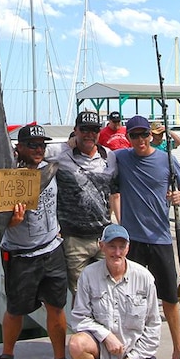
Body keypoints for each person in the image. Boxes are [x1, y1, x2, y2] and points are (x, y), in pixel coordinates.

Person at [111, 115, 180, 359]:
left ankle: (178, 351)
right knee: (128, 299)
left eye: (144, 135)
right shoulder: (122, 158)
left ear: (151, 135)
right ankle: (127, 351)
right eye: (134, 135)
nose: (140, 140)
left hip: (160, 238)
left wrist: (179, 197)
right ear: (127, 137)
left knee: (170, 299)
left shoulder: (167, 160)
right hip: (133, 242)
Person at [0, 125, 77, 359]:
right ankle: (7, 355)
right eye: (33, 145)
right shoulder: (8, 177)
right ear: (19, 148)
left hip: (52, 250)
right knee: (15, 309)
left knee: (56, 306)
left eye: (42, 145)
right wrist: (12, 222)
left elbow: (75, 143)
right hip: (20, 255)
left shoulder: (51, 169)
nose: (39, 149)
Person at [68, 224, 163, 359]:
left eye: (122, 247)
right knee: (77, 343)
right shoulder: (88, 274)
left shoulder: (145, 277)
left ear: (128, 248)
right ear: (101, 246)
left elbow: (153, 326)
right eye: (111, 246)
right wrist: (106, 336)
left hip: (134, 350)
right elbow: (79, 317)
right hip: (102, 347)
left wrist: (132, 358)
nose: (117, 252)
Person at [45, 111, 117, 297]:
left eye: (94, 130)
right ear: (75, 130)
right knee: (81, 295)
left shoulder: (110, 157)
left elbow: (117, 191)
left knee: (110, 291)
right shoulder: (60, 153)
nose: (89, 134)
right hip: (74, 240)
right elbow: (31, 152)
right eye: (84, 129)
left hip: (104, 237)